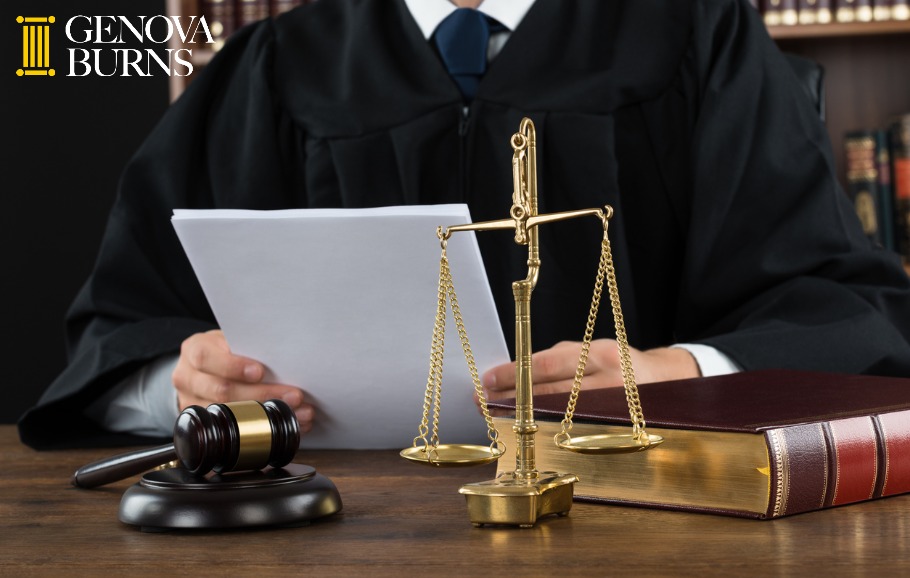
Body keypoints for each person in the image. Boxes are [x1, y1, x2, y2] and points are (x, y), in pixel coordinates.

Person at [19, 0, 910, 449]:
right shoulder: (275, 68)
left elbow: (846, 310)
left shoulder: (694, 35)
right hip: (326, 540)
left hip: (653, 530)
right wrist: (184, 386)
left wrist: (674, 375)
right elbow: (122, 333)